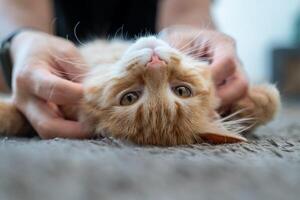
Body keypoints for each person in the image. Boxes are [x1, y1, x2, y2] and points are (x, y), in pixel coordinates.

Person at [0, 0, 248, 139]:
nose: (155, 68)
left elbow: (187, 10)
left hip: (73, 66)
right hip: (48, 32)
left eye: (130, 98)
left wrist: (191, 32)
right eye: (181, 91)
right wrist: (20, 40)